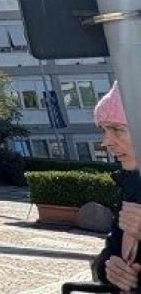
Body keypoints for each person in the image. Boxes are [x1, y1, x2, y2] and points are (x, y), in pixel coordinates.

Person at [92, 82, 141, 292]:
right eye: (104, 130)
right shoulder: (130, 187)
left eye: (117, 129)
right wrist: (108, 269)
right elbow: (109, 253)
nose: (106, 142)